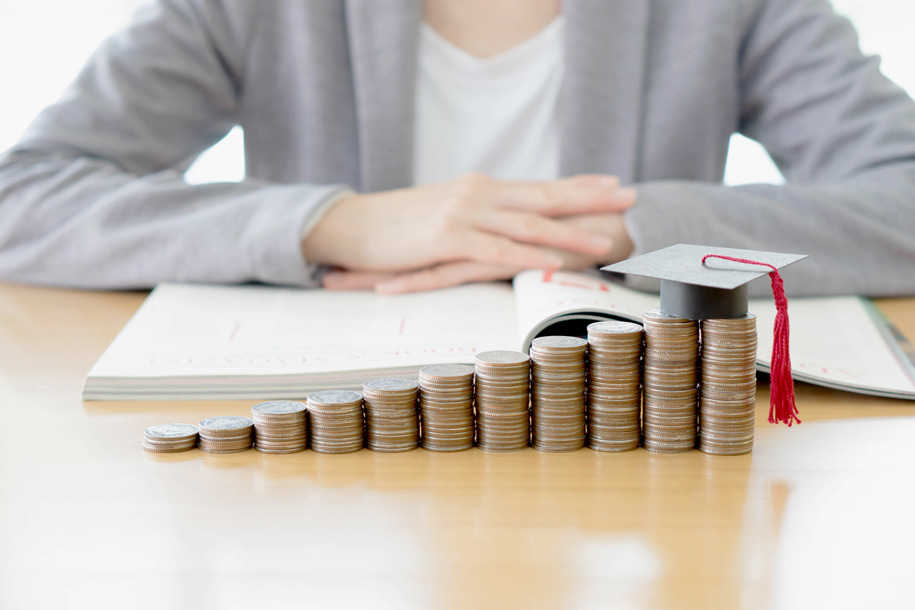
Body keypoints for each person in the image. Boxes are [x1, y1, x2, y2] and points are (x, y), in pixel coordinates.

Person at [0, 0, 913, 297]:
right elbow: (24, 199)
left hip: (632, 454)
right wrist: (333, 224)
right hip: (323, 473)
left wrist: (628, 228)